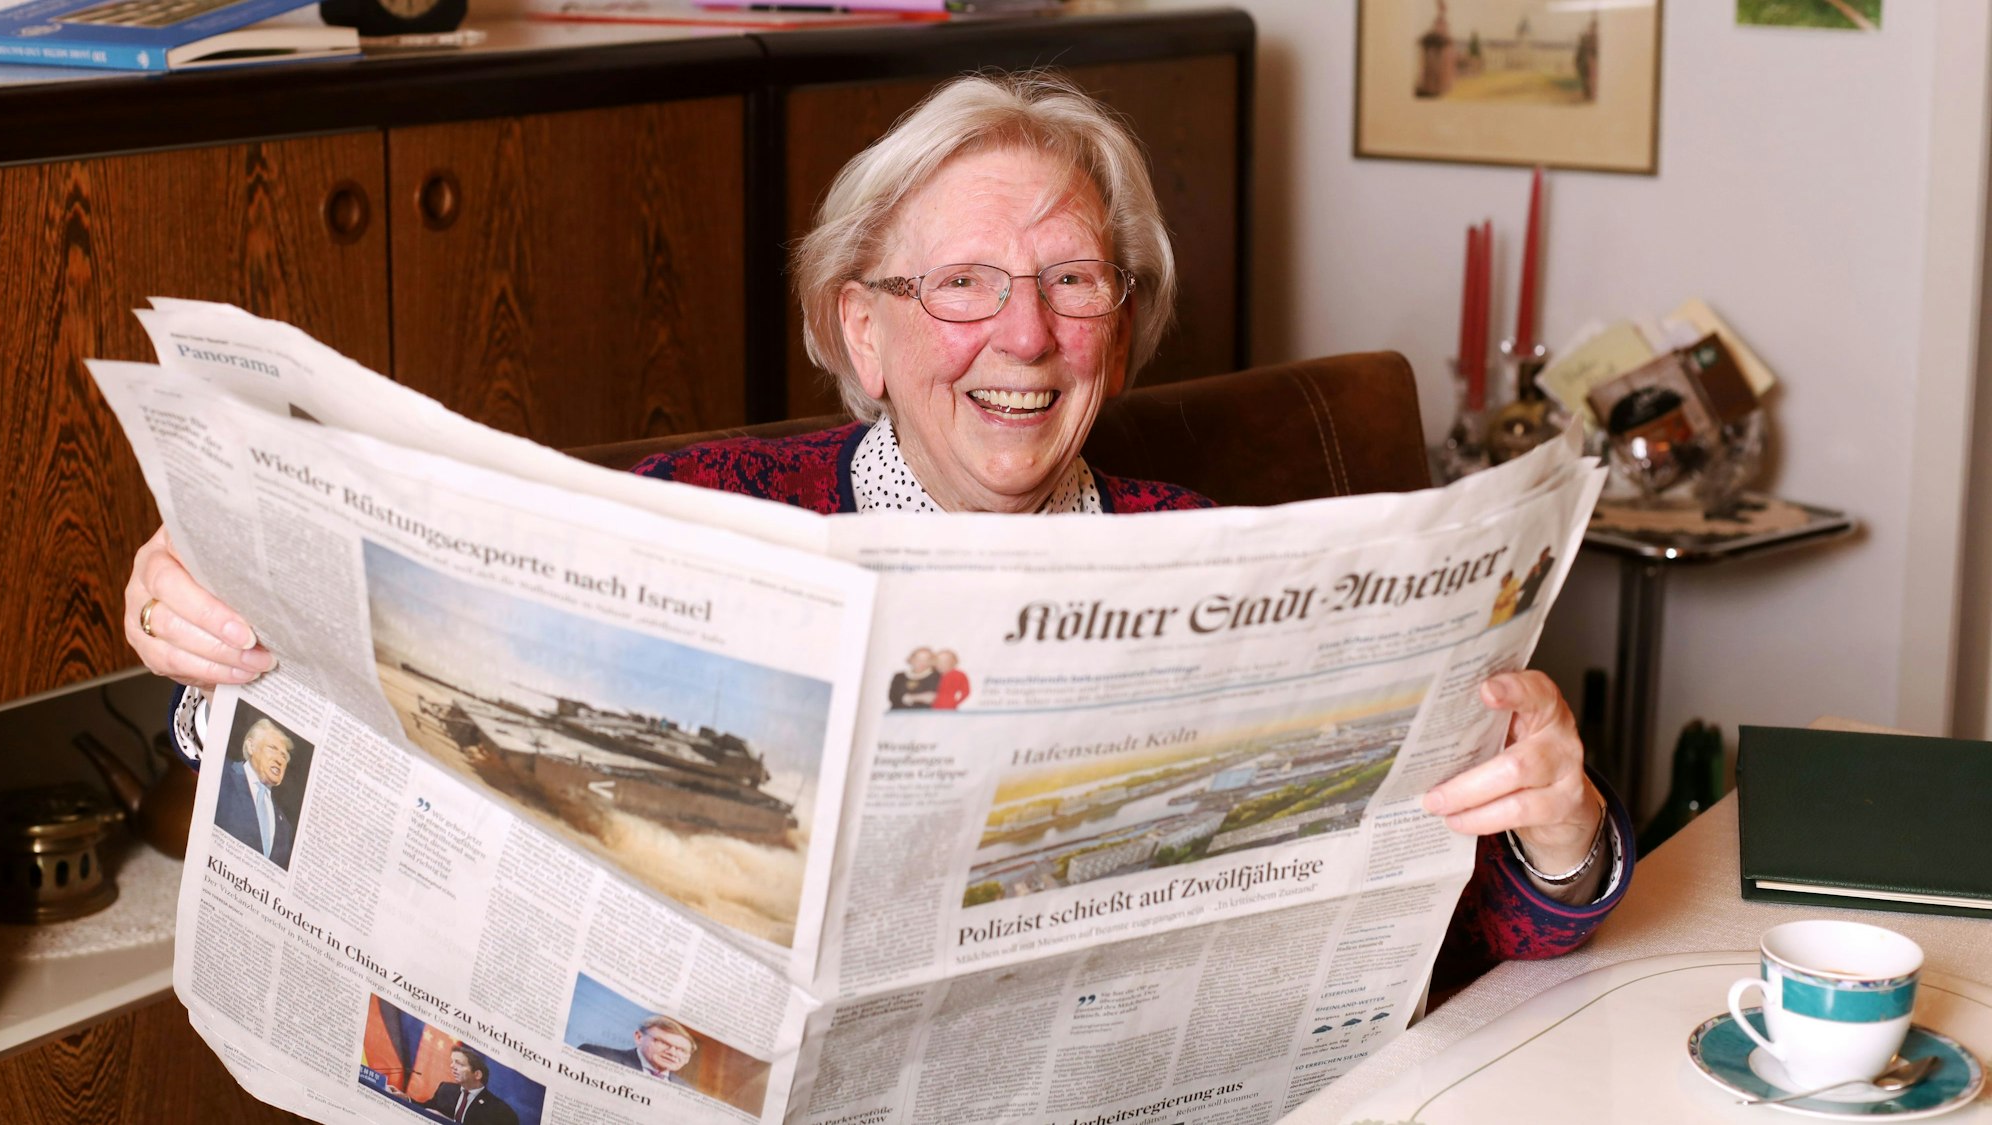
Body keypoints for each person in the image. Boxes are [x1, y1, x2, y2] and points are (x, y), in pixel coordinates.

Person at [124, 71, 1629, 990]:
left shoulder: (1224, 563)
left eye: (1075, 281)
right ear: (864, 321)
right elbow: (395, 758)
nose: (1024, 336)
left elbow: (1480, 942)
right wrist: (230, 639)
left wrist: (1560, 835)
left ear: (1125, 322)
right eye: (963, 284)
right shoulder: (692, 513)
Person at [213, 716, 296, 867]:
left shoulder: (285, 828)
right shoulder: (221, 772)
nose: (279, 760)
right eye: (272, 748)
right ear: (251, 747)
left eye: (284, 756)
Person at [410, 1046, 516, 1125]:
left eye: (459, 1064)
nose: (452, 1066)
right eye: (452, 1062)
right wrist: (406, 1099)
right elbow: (427, 1109)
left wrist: (446, 1122)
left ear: (477, 1074)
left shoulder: (499, 1110)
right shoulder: (446, 1089)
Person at [578, 1014, 696, 1084]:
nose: (672, 1053)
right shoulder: (598, 1056)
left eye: (681, 1050)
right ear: (639, 1037)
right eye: (663, 1042)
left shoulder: (687, 1090)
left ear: (687, 1058)